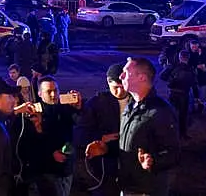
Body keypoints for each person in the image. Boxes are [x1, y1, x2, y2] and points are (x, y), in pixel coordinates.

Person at [87, 57, 180, 196]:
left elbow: (173, 153)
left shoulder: (160, 111)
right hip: (127, 185)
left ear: (141, 77)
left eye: (126, 72)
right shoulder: (131, 107)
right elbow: (129, 145)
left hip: (146, 189)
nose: (121, 76)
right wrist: (106, 149)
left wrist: (152, 161)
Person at [76, 63, 130, 196]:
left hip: (131, 160)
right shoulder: (96, 102)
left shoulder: (137, 101)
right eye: (115, 88)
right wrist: (100, 137)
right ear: (108, 82)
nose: (120, 91)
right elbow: (80, 131)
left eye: (123, 87)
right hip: (104, 164)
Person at [33, 76, 82, 196]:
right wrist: (51, 153)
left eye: (56, 90)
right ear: (40, 93)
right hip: (47, 170)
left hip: (66, 167)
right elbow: (32, 144)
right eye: (48, 91)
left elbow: (80, 126)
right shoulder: (35, 112)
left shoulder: (65, 108)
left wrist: (78, 108)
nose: (53, 94)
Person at [159, 50, 196, 139]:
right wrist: (197, 97)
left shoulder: (173, 67)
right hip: (185, 94)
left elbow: (162, 76)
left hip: (174, 94)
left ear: (180, 57)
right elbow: (194, 84)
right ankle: (182, 134)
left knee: (173, 114)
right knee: (183, 115)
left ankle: (174, 134)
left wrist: (170, 79)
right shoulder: (191, 69)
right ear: (188, 58)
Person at [187, 39, 206, 107]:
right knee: (194, 91)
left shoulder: (202, 52)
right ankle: (195, 103)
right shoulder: (188, 53)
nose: (194, 49)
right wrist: (196, 66)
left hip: (202, 75)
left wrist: (204, 65)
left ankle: (202, 103)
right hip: (193, 76)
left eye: (196, 47)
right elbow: (188, 63)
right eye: (193, 47)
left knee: (203, 90)